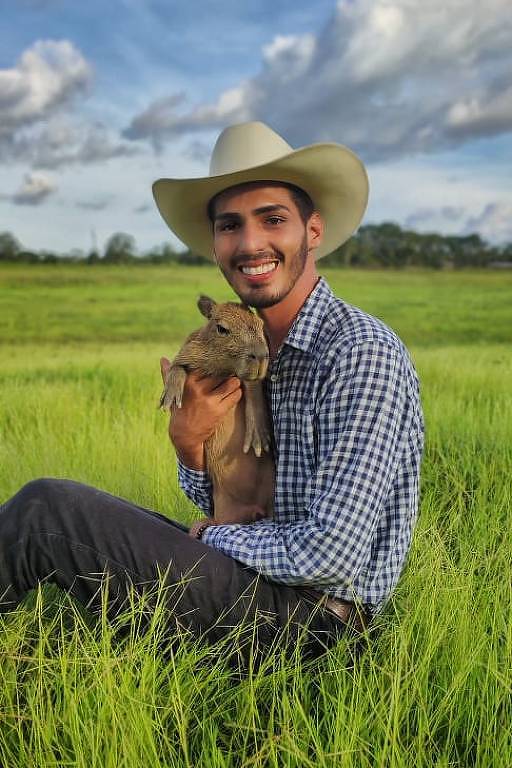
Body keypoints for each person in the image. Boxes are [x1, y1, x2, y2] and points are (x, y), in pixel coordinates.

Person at [0, 122, 424, 666]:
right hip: (264, 582)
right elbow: (233, 502)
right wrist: (189, 447)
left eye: (273, 219)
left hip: (315, 624)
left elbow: (330, 557)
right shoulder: (254, 347)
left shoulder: (358, 352)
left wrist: (214, 540)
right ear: (215, 245)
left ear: (312, 230)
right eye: (230, 226)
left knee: (46, 511)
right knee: (74, 511)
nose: (250, 244)